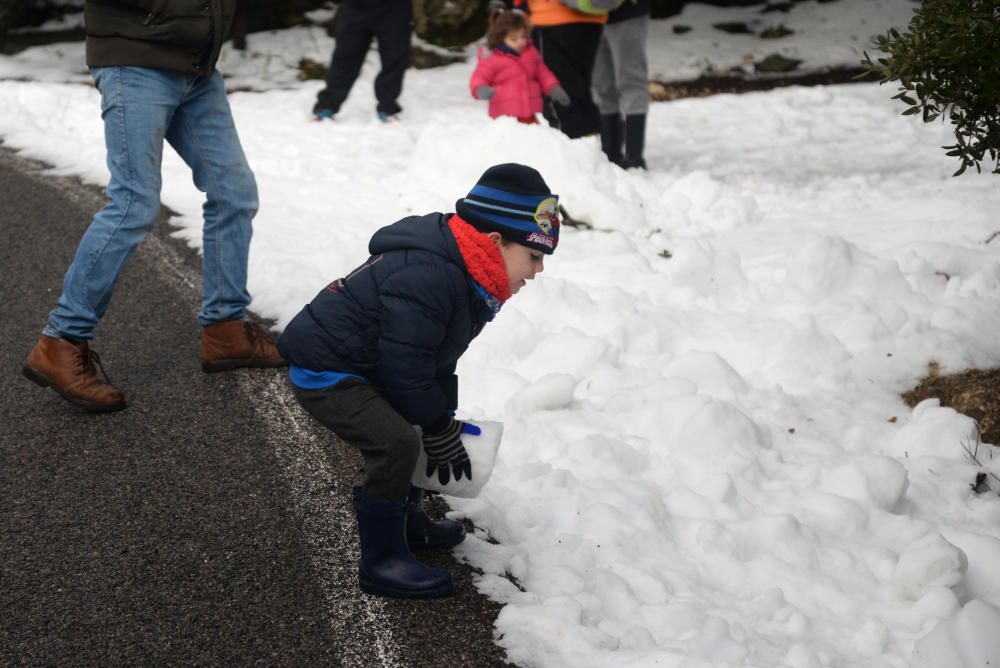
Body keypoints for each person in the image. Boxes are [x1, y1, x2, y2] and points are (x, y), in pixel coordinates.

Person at [277, 163, 560, 598]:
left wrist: (440, 417)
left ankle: (408, 524)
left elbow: (431, 359)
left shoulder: (471, 275)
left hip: (370, 365)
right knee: (397, 442)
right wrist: (432, 425)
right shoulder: (431, 274)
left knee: (418, 424)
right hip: (329, 371)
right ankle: (382, 560)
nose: (538, 270)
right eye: (534, 256)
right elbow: (404, 366)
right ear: (495, 242)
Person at [21, 0, 286, 414]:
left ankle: (225, 328)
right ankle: (61, 340)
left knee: (234, 193)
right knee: (134, 203)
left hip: (197, 67)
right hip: (135, 61)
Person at [510, 0, 607, 138]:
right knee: (586, 89)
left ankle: (570, 146)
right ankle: (591, 148)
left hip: (550, 19)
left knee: (557, 90)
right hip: (593, 18)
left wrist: (519, 7)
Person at [312, 0, 412, 122]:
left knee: (394, 56)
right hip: (355, 7)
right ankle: (327, 104)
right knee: (345, 56)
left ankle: (387, 106)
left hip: (395, 7)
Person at [470, 9, 570, 124]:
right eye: (514, 39)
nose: (520, 42)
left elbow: (543, 73)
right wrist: (480, 88)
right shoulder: (492, 58)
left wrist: (553, 87)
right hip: (505, 116)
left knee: (535, 140)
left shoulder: (531, 53)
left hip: (533, 113)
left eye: (523, 37)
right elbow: (480, 76)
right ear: (500, 38)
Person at [592, 0, 651, 169]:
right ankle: (610, 154)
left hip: (628, 13)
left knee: (631, 81)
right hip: (591, 17)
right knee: (601, 86)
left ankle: (634, 158)